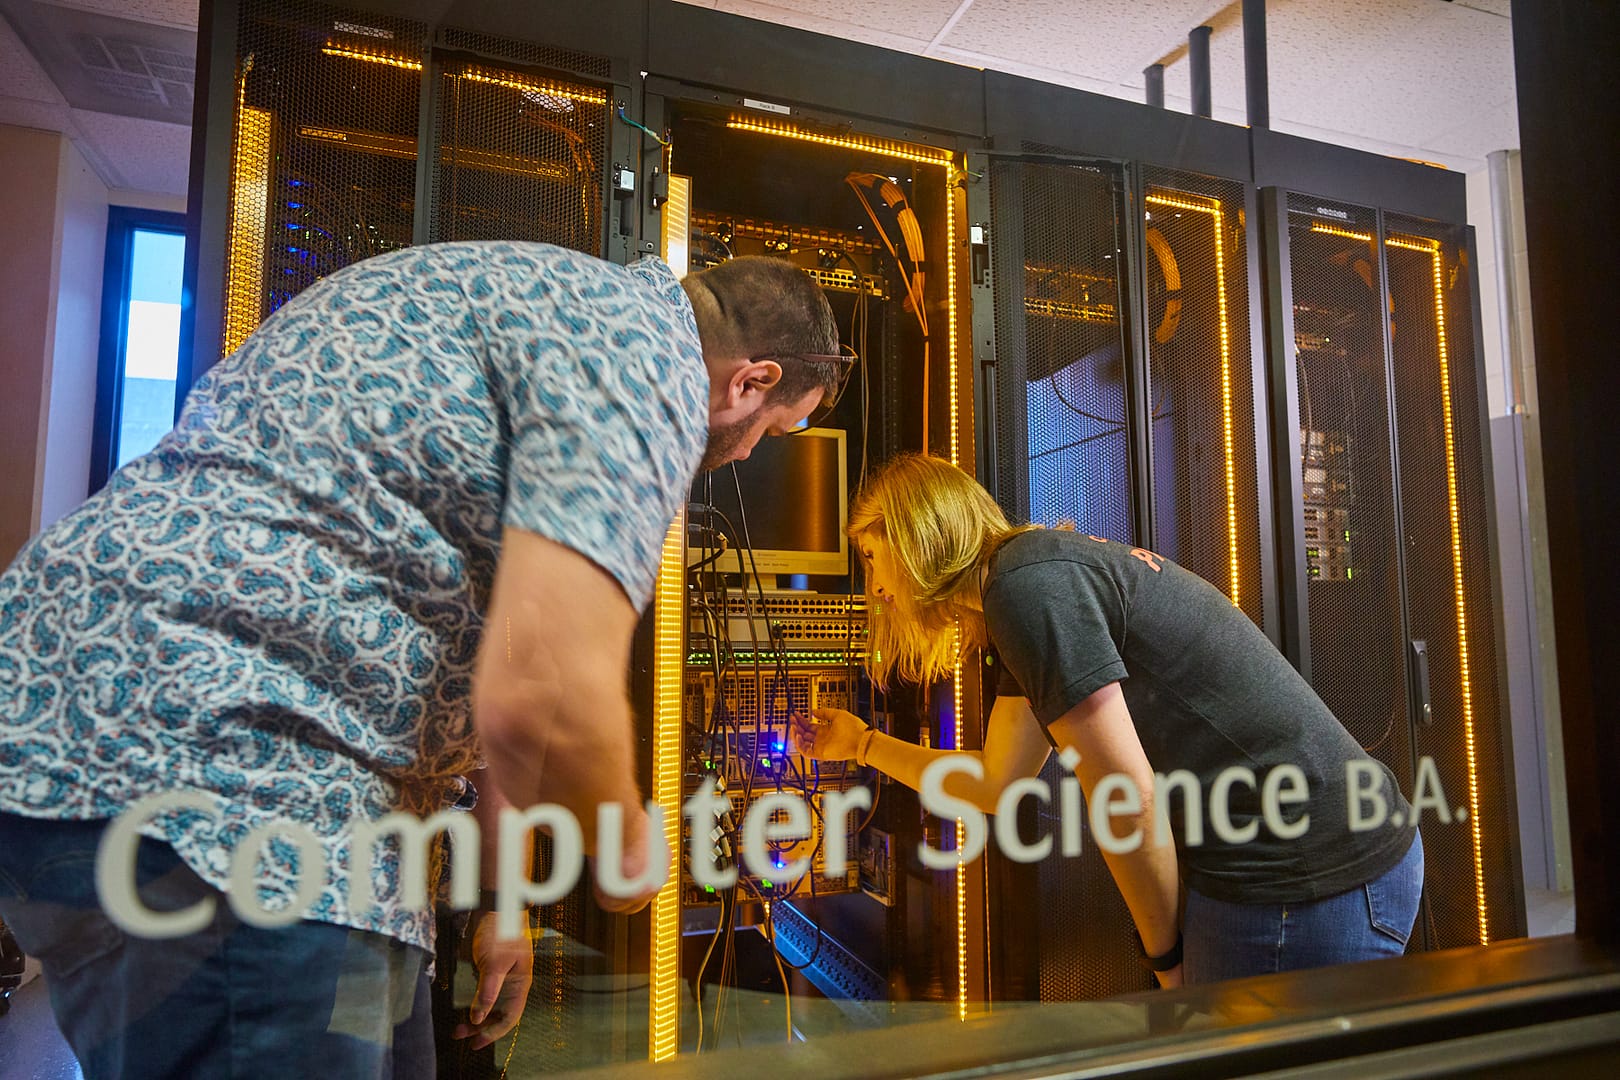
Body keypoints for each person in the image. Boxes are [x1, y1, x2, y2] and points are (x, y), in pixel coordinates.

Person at [0, 241, 844, 1077]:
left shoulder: (559, 310)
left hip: (160, 756)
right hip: (227, 775)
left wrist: (507, 905)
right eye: (775, 430)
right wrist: (631, 851)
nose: (745, 453)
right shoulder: (642, 359)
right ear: (751, 381)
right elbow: (551, 677)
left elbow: (515, 670)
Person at [790, 453, 1422, 988]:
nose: (875, 588)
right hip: (1323, 855)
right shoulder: (1027, 582)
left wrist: (1167, 958)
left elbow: (1128, 800)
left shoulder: (1027, 590)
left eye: (873, 558)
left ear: (916, 536)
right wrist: (863, 743)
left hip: (1306, 874)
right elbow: (994, 782)